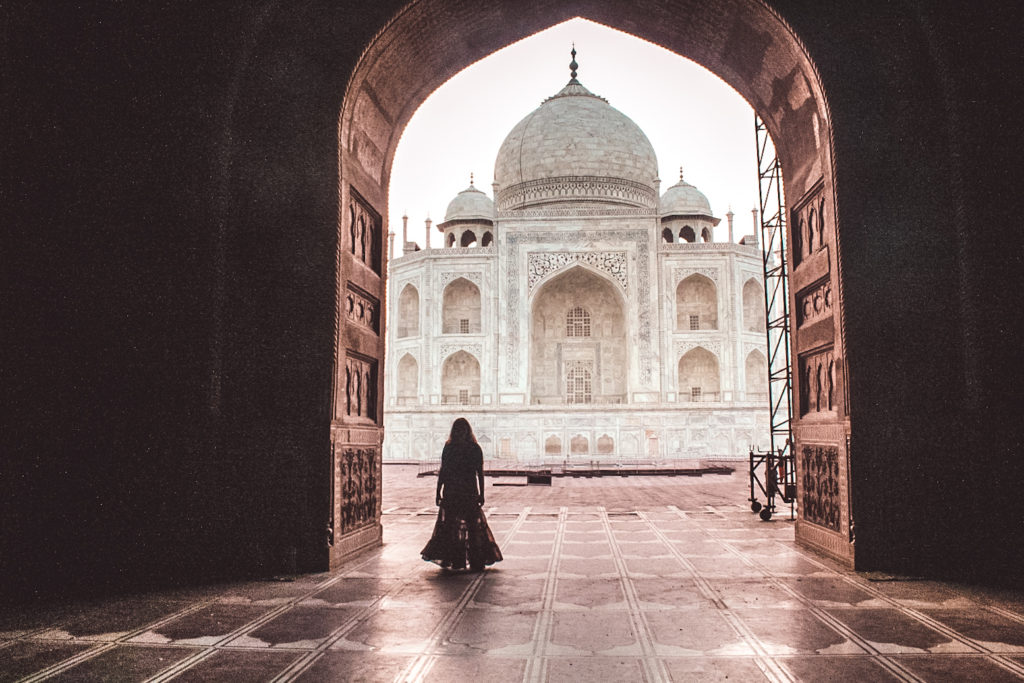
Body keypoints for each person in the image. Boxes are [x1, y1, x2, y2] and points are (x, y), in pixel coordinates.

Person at [421, 417, 503, 571]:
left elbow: (479, 473)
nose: (460, 433)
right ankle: (461, 560)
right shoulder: (455, 448)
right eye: (458, 430)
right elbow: (444, 471)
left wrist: (482, 493)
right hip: (456, 491)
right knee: (453, 527)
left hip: (466, 491)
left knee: (469, 527)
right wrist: (438, 491)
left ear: (467, 431)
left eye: (462, 430)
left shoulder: (471, 448)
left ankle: (466, 560)